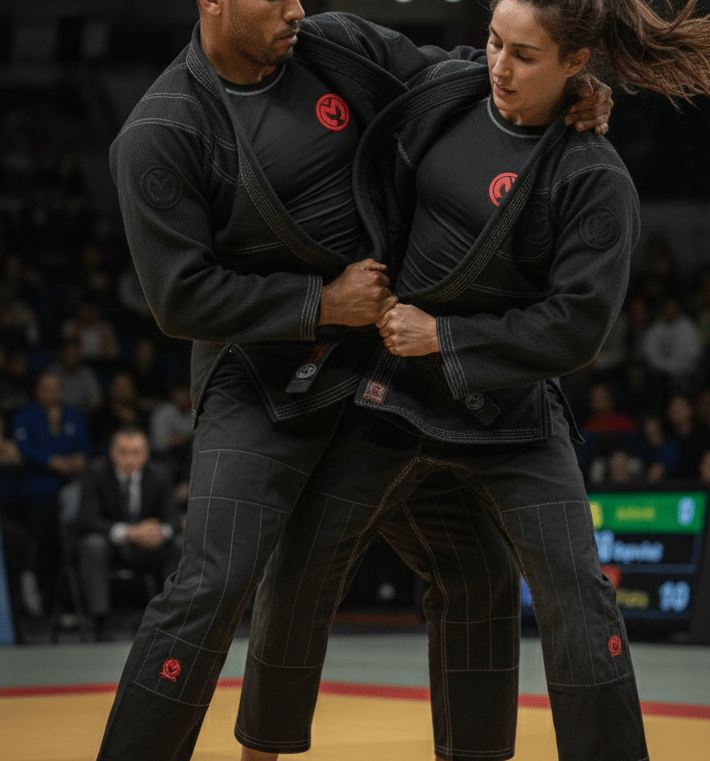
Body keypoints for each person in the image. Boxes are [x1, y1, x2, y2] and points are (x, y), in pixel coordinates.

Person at [96, 2, 614, 759]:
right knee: (216, 578)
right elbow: (180, 299)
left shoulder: (332, 46)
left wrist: (573, 88)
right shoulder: (160, 131)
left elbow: (450, 74)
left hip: (387, 365)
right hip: (262, 376)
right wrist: (320, 303)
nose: (295, 9)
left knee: (477, 571)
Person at [239, 1, 710, 760]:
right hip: (391, 397)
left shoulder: (594, 178)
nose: (500, 67)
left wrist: (444, 336)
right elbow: (348, 40)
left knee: (578, 591)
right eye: (493, 42)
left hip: (509, 414)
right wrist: (269, 19)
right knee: (301, 561)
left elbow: (575, 329)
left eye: (525, 56)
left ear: (577, 64)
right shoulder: (450, 88)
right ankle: (261, 751)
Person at [77, 426, 183, 640]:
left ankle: (172, 617)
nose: (129, 459)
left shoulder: (159, 474)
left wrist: (159, 532)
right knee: (92, 545)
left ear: (146, 454)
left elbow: (173, 519)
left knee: (179, 545)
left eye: (136, 452)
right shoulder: (95, 473)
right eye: (123, 452)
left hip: (147, 547)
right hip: (111, 546)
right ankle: (100, 621)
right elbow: (87, 520)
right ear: (112, 452)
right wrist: (130, 532)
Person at [11, 371, 90, 614]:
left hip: (69, 492)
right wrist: (52, 461)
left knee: (66, 549)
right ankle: (39, 603)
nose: (51, 393)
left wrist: (74, 461)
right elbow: (25, 449)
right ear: (37, 391)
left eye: (56, 388)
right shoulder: (25, 416)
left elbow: (83, 449)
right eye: (46, 388)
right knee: (41, 547)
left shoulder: (73, 415)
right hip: (37, 492)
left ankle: (64, 604)